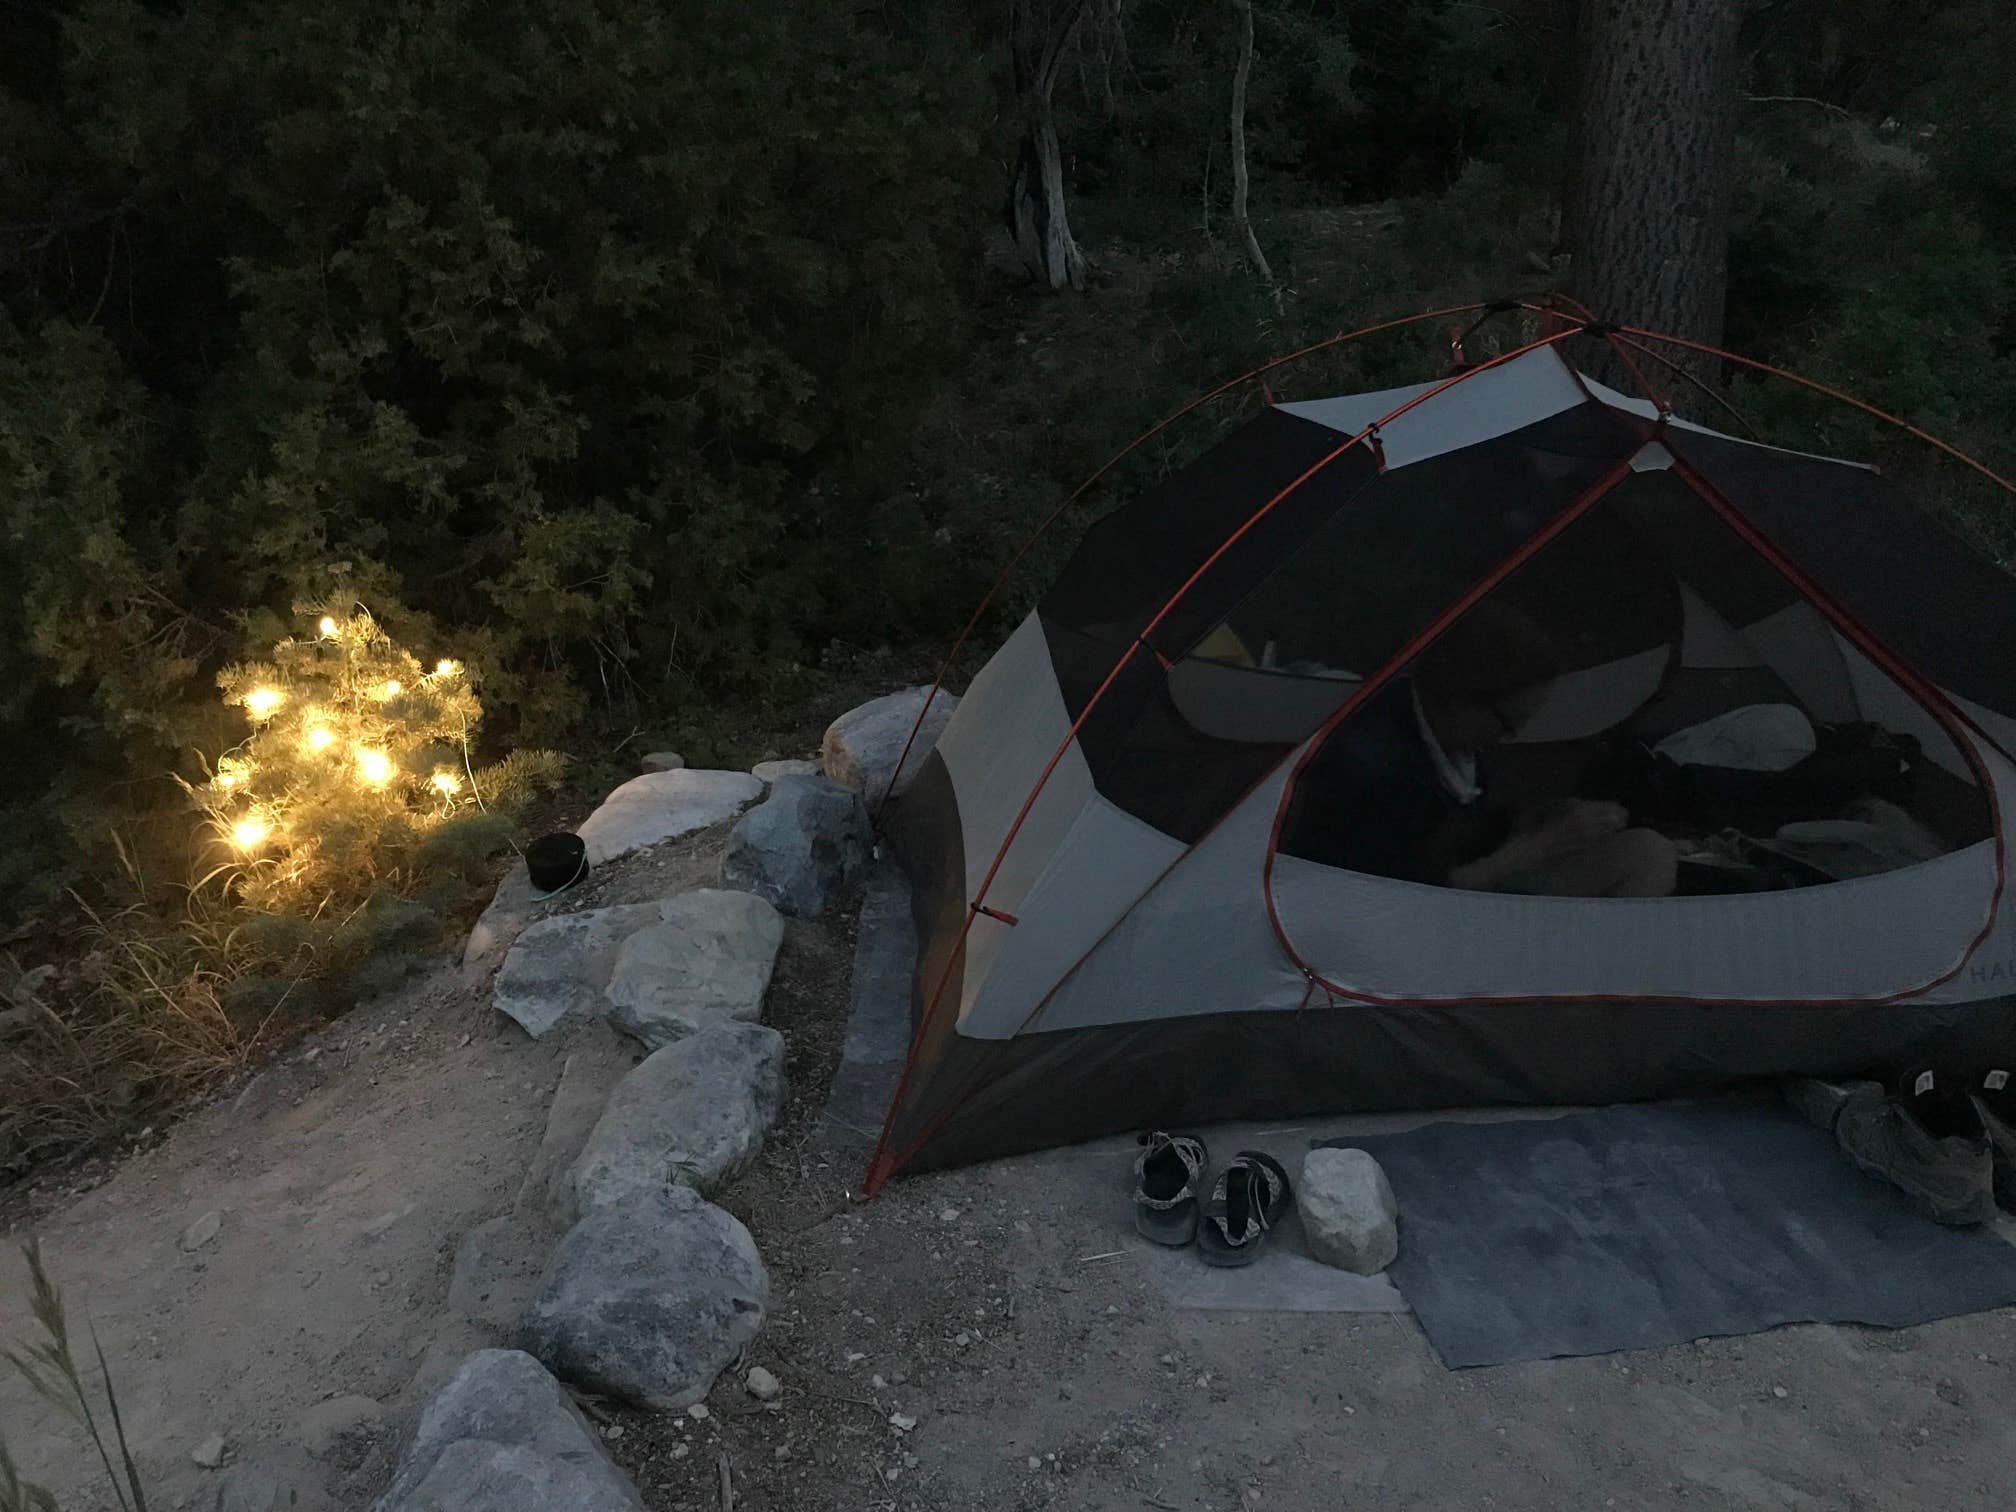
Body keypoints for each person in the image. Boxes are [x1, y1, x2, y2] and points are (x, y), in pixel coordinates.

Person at [1289, 611, 1678, 897]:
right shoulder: (1375, 762)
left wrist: (1532, 821)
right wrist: (1531, 849)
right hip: (1419, 927)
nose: (1508, 738)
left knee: (1647, 852)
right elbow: (1403, 895)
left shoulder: (1451, 744)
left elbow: (1462, 834)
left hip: (1472, 897)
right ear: (1462, 701)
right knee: (1645, 859)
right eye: (1507, 724)